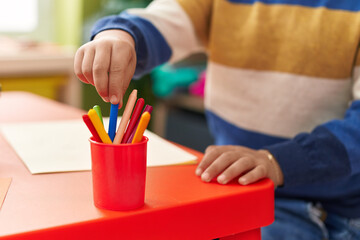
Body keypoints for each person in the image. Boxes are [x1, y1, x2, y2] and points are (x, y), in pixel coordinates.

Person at [74, 0, 360, 239]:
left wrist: (277, 162)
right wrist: (120, 35)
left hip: (328, 207)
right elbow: (164, 19)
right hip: (235, 190)